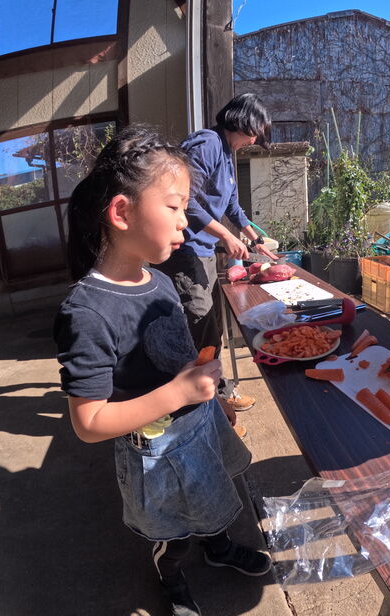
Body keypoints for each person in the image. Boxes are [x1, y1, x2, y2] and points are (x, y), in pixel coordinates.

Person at [54, 125, 271, 616]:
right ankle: (171, 576)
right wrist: (178, 394)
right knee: (175, 530)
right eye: (174, 207)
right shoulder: (86, 312)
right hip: (155, 451)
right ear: (122, 212)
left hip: (198, 426)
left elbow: (174, 357)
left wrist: (207, 390)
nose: (184, 222)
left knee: (214, 495)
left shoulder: (160, 280)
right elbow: (89, 423)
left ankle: (218, 547)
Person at [154, 93, 278, 421]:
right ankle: (203, 408)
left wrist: (257, 239)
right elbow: (186, 199)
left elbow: (233, 206)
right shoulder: (207, 143)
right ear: (243, 121)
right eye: (255, 132)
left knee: (212, 328)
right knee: (199, 324)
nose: (254, 140)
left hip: (205, 252)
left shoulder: (226, 153)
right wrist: (226, 235)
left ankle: (217, 394)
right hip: (185, 252)